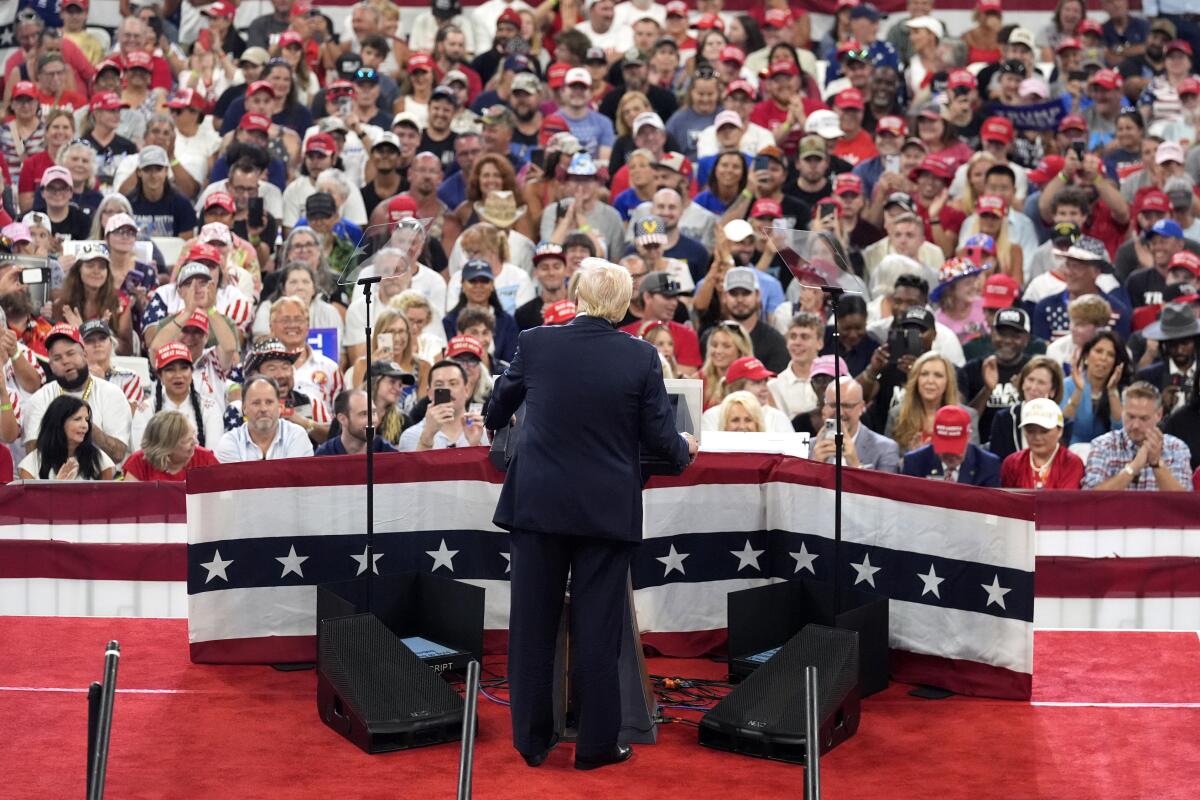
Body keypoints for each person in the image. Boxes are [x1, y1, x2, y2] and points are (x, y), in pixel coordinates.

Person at [484, 260, 696, 771]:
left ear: (578, 297)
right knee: (598, 630)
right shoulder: (642, 357)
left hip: (537, 508)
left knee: (531, 628)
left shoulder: (535, 343)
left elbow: (495, 414)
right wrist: (686, 447)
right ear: (625, 308)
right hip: (604, 513)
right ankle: (597, 746)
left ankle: (533, 742)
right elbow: (663, 441)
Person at [23, 324, 132, 464]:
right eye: (57, 358)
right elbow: (32, 455)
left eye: (70, 353)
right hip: (55, 481)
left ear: (85, 355)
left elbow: (117, 455)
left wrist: (85, 426)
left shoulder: (112, 394)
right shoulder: (40, 399)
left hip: (103, 482)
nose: (65, 361)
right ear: (50, 365)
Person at [1083, 382, 1191, 491]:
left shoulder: (1177, 448)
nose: (1135, 425)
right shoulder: (1102, 445)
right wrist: (1133, 467)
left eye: (1143, 418)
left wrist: (1156, 464)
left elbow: (1184, 503)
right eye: (1131, 416)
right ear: (1122, 412)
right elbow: (1090, 498)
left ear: (1159, 415)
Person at [958, 308, 1034, 439]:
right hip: (981, 447)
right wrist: (987, 390)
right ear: (992, 334)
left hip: (1025, 445)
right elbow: (963, 422)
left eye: (1015, 336)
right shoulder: (973, 369)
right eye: (1002, 334)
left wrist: (1025, 394)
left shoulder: (1035, 370)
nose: (1007, 340)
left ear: (1026, 339)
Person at [809, 378, 901, 472]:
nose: (839, 413)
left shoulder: (885, 449)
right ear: (824, 407)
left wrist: (856, 466)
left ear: (861, 407)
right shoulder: (810, 447)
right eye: (833, 405)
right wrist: (815, 467)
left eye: (847, 406)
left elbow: (884, 486)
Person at [215, 375, 314, 462]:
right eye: (256, 403)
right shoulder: (229, 442)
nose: (263, 409)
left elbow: (296, 481)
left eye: (269, 402)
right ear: (244, 408)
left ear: (280, 407)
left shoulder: (296, 436)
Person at [17, 395, 115, 480]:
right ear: (58, 422)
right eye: (77, 419)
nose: (85, 425)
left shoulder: (100, 460)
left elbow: (106, 499)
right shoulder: (31, 465)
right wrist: (58, 487)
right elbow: (30, 501)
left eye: (87, 420)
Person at [399, 360, 488, 451]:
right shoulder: (412, 435)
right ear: (429, 393)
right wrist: (427, 437)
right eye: (439, 384)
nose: (447, 389)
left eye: (453, 383)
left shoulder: (483, 434)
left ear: (466, 390)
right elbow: (415, 465)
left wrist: (475, 445)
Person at [901, 405, 1001, 486]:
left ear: (969, 436)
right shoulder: (914, 462)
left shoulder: (988, 465)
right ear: (934, 438)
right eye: (946, 448)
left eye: (956, 447)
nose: (951, 455)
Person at [1061, 330, 1131, 446]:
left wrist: (1112, 392)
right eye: (1098, 351)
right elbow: (1062, 426)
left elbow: (1121, 432)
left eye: (1110, 355)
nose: (1103, 358)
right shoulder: (1067, 385)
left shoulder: (1122, 391)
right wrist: (1078, 391)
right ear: (1087, 356)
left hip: (1107, 456)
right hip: (1071, 453)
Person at [999, 398, 1085, 490]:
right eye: (1030, 431)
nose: (1037, 437)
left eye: (1044, 431)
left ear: (1060, 431)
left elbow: (1066, 501)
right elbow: (1007, 501)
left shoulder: (1071, 463)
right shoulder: (1012, 463)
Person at [123, 410, 220, 481]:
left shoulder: (206, 459)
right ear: (166, 447)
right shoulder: (139, 462)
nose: (195, 442)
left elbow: (223, 497)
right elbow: (129, 504)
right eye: (188, 440)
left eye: (194, 435)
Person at [315, 389, 399, 456]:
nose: (373, 420)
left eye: (373, 412)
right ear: (342, 419)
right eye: (364, 414)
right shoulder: (324, 456)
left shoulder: (388, 453)